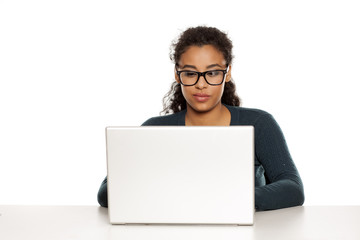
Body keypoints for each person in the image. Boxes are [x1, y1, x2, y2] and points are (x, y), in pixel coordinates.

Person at [97, 26, 305, 211]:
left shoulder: (258, 123)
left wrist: (226, 199)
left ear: (228, 73)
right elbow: (106, 192)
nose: (201, 84)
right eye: (190, 73)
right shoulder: (154, 129)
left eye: (212, 73)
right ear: (178, 75)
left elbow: (292, 187)